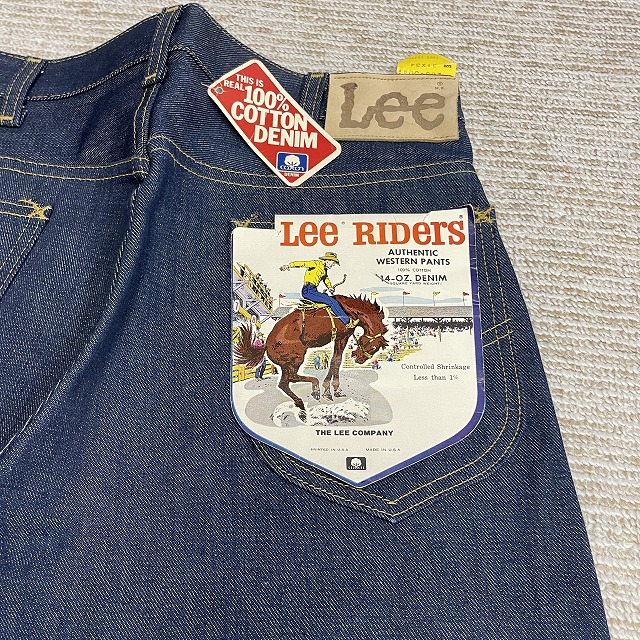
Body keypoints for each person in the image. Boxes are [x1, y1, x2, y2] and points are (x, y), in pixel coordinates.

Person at [280, 252, 359, 328]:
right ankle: (348, 322)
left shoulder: (324, 270)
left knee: (329, 299)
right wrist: (289, 265)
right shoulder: (316, 263)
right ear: (327, 260)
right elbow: (302, 263)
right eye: (333, 263)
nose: (333, 265)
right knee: (332, 302)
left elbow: (326, 279)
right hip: (308, 290)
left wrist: (330, 287)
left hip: (313, 290)